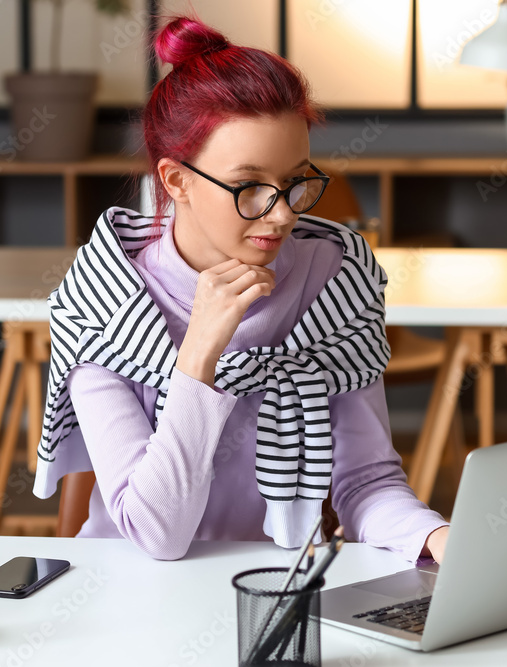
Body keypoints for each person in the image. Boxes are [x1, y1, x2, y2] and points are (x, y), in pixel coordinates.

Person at [33, 15, 450, 563]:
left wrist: (440, 538)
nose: (279, 215)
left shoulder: (337, 282)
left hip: (277, 586)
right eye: (249, 187)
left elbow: (366, 482)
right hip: (132, 587)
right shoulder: (103, 302)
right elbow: (158, 536)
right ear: (176, 180)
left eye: (295, 181)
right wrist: (199, 354)